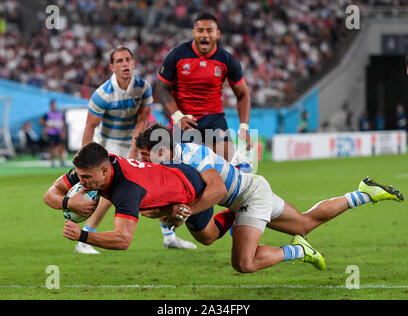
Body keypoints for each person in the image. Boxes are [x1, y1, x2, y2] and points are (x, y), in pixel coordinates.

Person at [135, 123, 404, 273]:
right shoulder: (169, 162)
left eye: (146, 156)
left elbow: (216, 190)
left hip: (250, 196)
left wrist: (185, 211)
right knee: (304, 224)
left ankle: (298, 250)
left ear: (162, 150)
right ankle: (363, 194)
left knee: (244, 263)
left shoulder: (191, 155)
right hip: (249, 190)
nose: (143, 162)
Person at [44, 142, 324, 273]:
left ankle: (247, 212)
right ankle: (239, 210)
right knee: (165, 217)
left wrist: (81, 235)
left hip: (190, 187)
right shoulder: (95, 166)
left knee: (210, 238)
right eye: (79, 177)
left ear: (105, 171)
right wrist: (69, 201)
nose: (81, 182)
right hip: (165, 185)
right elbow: (51, 193)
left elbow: (123, 239)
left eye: (86, 179)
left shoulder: (128, 189)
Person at [75, 45, 196, 254]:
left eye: (127, 60)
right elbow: (90, 126)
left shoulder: (144, 87)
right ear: (112, 67)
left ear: (133, 63)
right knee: (110, 193)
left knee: (158, 180)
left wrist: (134, 150)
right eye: (119, 61)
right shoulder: (102, 94)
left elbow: (142, 120)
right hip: (109, 145)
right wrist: (86, 158)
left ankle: (169, 236)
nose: (124, 64)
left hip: (136, 142)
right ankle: (84, 238)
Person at [156, 12, 251, 161]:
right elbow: (161, 88)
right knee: (188, 171)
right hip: (184, 119)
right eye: (200, 31)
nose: (204, 35)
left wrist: (244, 126)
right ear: (193, 33)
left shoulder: (227, 60)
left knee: (228, 164)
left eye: (209, 31)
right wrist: (177, 116)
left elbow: (243, 94)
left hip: (214, 118)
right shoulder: (177, 55)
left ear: (217, 33)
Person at [39, 99, 66, 167]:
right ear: (50, 105)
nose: (53, 106)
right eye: (52, 105)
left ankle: (61, 161)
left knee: (60, 147)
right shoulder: (47, 114)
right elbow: (41, 121)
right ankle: (52, 161)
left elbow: (63, 124)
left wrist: (63, 132)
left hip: (58, 133)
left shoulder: (60, 114)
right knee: (51, 148)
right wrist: (46, 125)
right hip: (51, 133)